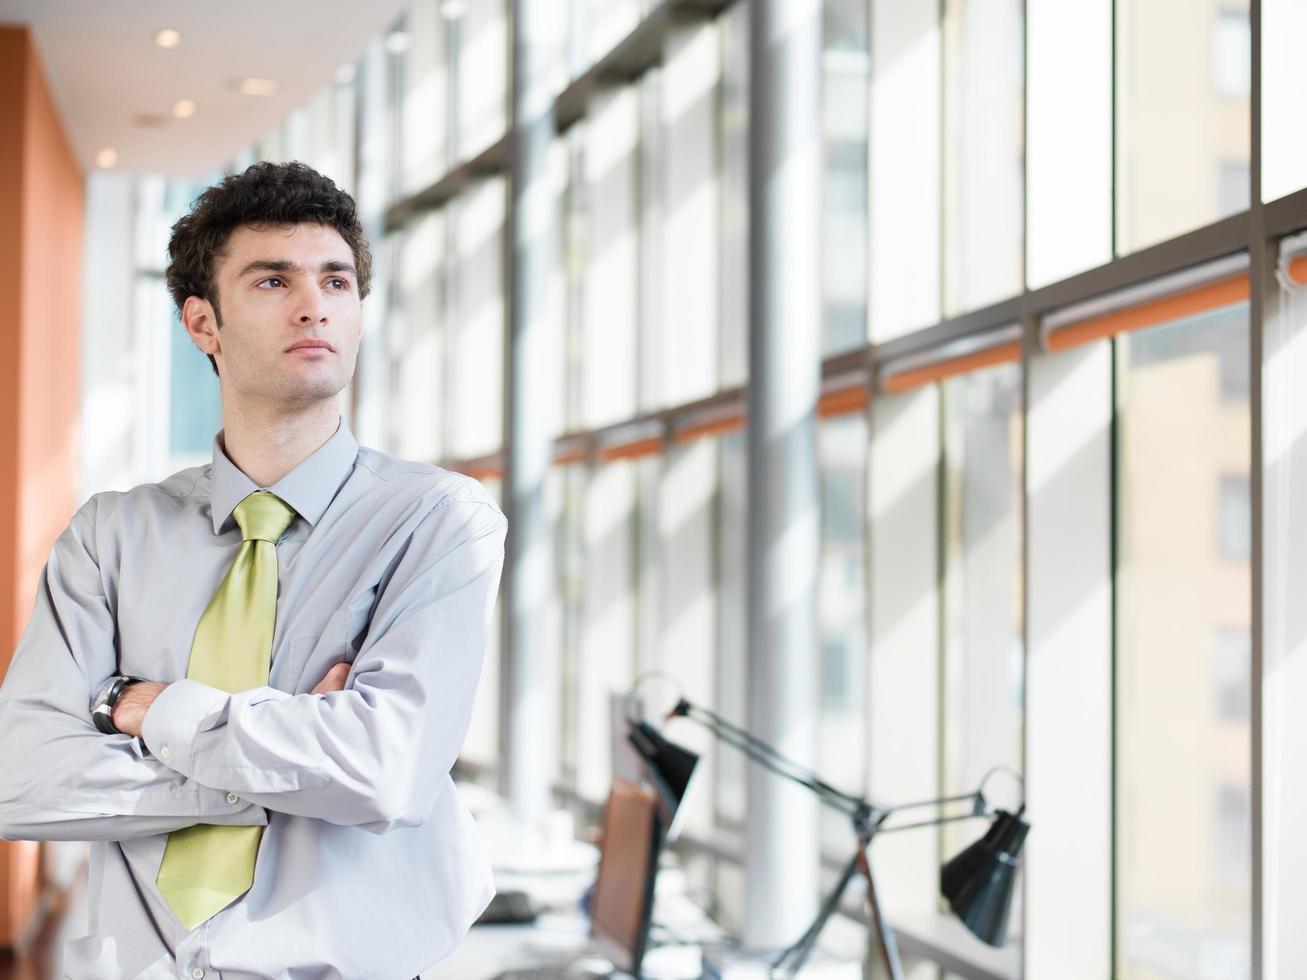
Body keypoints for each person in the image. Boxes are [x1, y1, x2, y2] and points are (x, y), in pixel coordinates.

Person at [0, 161, 506, 979]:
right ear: (204, 324)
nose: (314, 304)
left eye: (335, 280)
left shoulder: (438, 518)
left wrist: (152, 712)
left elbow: (386, 771)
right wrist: (287, 761)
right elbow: (19, 779)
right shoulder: (112, 534)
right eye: (273, 280)